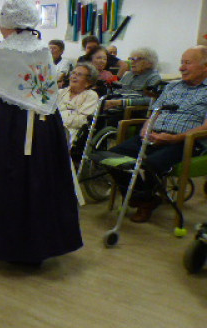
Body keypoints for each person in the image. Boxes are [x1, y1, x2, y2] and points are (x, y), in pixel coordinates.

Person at [0, 0, 83, 265]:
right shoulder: (41, 48)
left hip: (11, 124)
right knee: (42, 178)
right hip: (46, 126)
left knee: (8, 178)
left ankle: (13, 247)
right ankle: (40, 245)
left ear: (6, 22)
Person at [99, 46, 207, 223]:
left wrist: (174, 138)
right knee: (112, 157)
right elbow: (155, 112)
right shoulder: (172, 87)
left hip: (185, 141)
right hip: (153, 135)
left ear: (205, 67)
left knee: (150, 164)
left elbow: (206, 127)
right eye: (181, 62)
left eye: (187, 63)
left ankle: (142, 201)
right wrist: (146, 128)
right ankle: (145, 199)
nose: (181, 67)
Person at [103, 47, 162, 114]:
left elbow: (151, 100)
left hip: (130, 113)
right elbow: (117, 92)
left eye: (137, 59)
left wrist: (121, 102)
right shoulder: (128, 75)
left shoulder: (154, 77)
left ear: (149, 63)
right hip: (112, 109)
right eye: (131, 59)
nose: (132, 62)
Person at [57, 63, 99, 146]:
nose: (73, 76)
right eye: (73, 73)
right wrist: (70, 114)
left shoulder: (91, 95)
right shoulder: (60, 92)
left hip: (73, 132)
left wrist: (59, 117)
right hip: (55, 127)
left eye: (79, 74)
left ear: (88, 82)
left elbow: (82, 120)